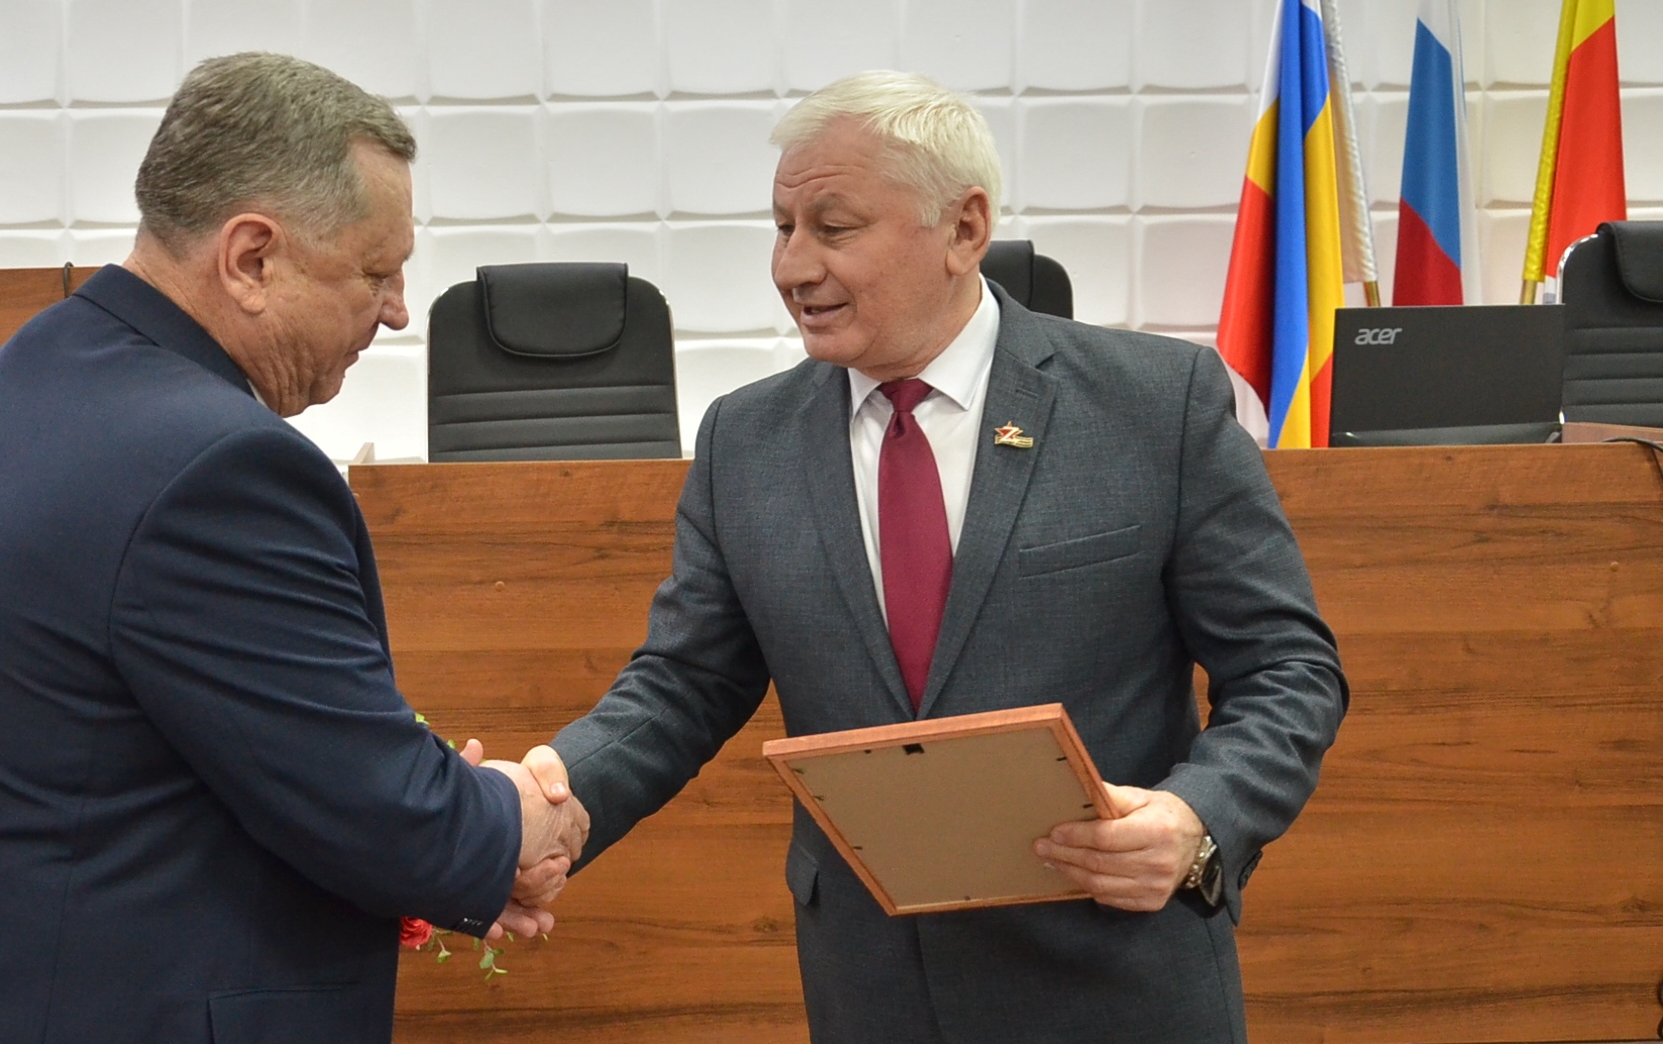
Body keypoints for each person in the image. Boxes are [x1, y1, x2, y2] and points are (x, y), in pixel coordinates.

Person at [544, 71, 1347, 1043]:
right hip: (873, 988)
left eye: (833, 228)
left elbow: (1287, 669)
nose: (791, 266)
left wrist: (1196, 817)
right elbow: (683, 685)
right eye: (783, 227)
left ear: (964, 229)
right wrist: (548, 795)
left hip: (1115, 973)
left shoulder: (1152, 404)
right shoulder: (743, 441)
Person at [0, 52, 586, 1044]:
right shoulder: (218, 469)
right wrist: (515, 816)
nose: (399, 307)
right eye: (374, 271)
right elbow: (383, 814)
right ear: (251, 259)